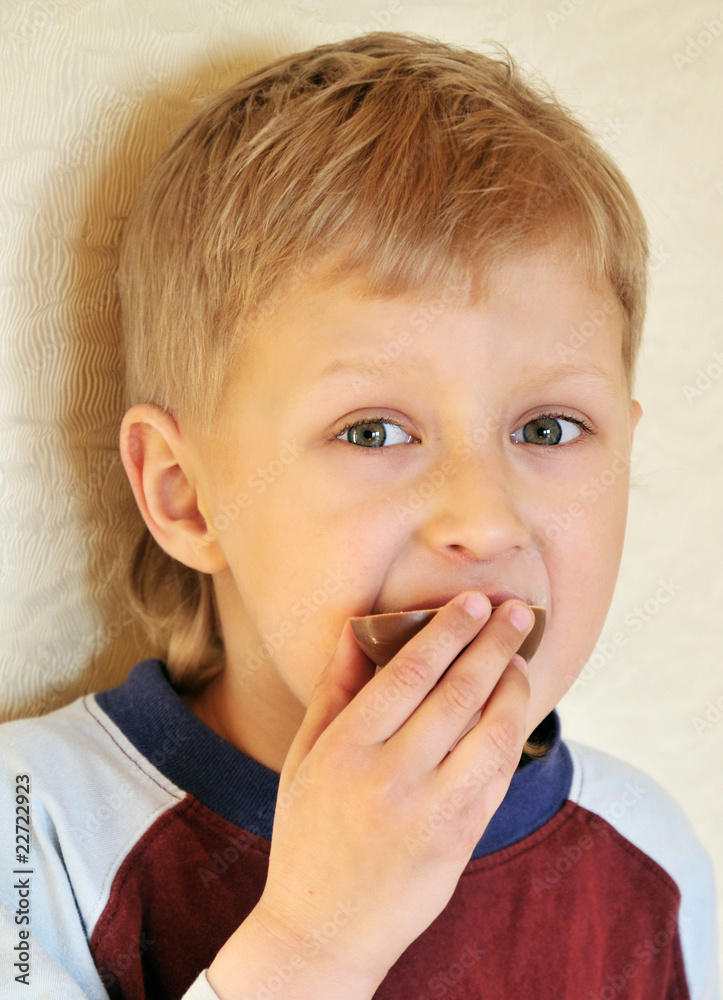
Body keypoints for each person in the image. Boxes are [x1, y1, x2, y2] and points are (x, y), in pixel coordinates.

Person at [0, 30, 718, 1000]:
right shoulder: (32, 819)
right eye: (375, 432)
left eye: (549, 427)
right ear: (183, 492)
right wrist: (314, 944)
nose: (485, 516)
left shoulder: (652, 858)